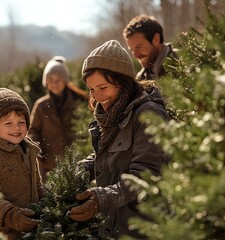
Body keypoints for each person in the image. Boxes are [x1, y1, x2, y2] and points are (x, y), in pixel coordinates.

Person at [67, 40, 170, 239]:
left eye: (102, 87)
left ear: (122, 82)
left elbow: (144, 177)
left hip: (144, 228)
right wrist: (80, 170)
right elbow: (109, 153)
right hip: (116, 226)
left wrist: (101, 199)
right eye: (91, 89)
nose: (96, 96)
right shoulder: (113, 114)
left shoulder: (147, 115)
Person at [0, 88, 46, 240]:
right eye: (8, 123)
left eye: (21, 122)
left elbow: (37, 186)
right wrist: (11, 216)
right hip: (2, 235)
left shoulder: (29, 152)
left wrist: (48, 201)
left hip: (31, 232)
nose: (16, 128)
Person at [28, 56, 87, 183]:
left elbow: (87, 125)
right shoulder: (41, 106)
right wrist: (37, 148)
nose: (54, 83)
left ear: (65, 80)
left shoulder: (78, 102)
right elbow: (33, 130)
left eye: (58, 79)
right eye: (50, 80)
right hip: (49, 163)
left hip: (76, 163)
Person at [123, 15, 177, 81]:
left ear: (156, 39)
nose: (136, 55)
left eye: (139, 47)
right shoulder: (141, 78)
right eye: (132, 50)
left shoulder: (183, 63)